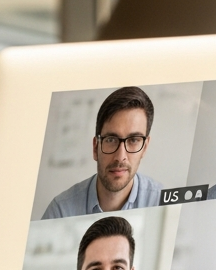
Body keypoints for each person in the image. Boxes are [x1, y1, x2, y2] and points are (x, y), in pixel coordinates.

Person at [42, 87, 161, 217]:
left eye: (133, 140)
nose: (120, 157)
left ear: (144, 148)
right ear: (95, 147)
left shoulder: (162, 202)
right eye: (111, 140)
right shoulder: (60, 211)